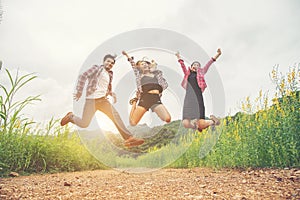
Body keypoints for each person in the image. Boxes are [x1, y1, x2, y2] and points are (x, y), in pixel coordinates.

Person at [60, 54, 144, 147]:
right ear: (104, 62)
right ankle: (71, 117)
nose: (110, 64)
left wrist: (111, 93)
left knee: (115, 116)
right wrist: (79, 91)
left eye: (112, 63)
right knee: (84, 124)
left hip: (103, 101)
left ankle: (129, 138)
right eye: (108, 61)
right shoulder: (96, 68)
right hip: (91, 101)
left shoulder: (110, 74)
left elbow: (105, 86)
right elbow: (83, 76)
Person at [175, 49, 222, 131]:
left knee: (201, 122)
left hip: (198, 98)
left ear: (199, 68)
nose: (196, 66)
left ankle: (213, 121)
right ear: (191, 66)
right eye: (194, 64)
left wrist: (217, 54)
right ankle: (200, 125)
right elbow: (182, 65)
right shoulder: (188, 73)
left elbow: (209, 63)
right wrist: (178, 56)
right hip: (188, 99)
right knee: (185, 123)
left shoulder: (202, 72)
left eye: (198, 65)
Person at [122, 51, 171, 126]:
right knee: (133, 123)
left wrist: (154, 65)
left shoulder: (157, 75)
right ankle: (135, 102)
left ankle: (154, 110)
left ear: (148, 65)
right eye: (142, 64)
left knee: (167, 119)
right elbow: (133, 66)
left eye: (145, 63)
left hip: (156, 98)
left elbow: (164, 85)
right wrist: (127, 56)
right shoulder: (140, 75)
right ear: (139, 68)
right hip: (145, 98)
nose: (144, 64)